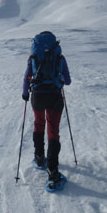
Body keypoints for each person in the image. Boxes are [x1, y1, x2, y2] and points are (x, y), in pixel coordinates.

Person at [21, 31, 71, 185]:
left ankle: (39, 157)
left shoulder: (33, 57)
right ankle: (52, 171)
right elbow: (68, 81)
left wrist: (25, 94)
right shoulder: (60, 58)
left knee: (39, 124)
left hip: (37, 96)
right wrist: (59, 79)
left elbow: (26, 77)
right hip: (55, 96)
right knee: (53, 131)